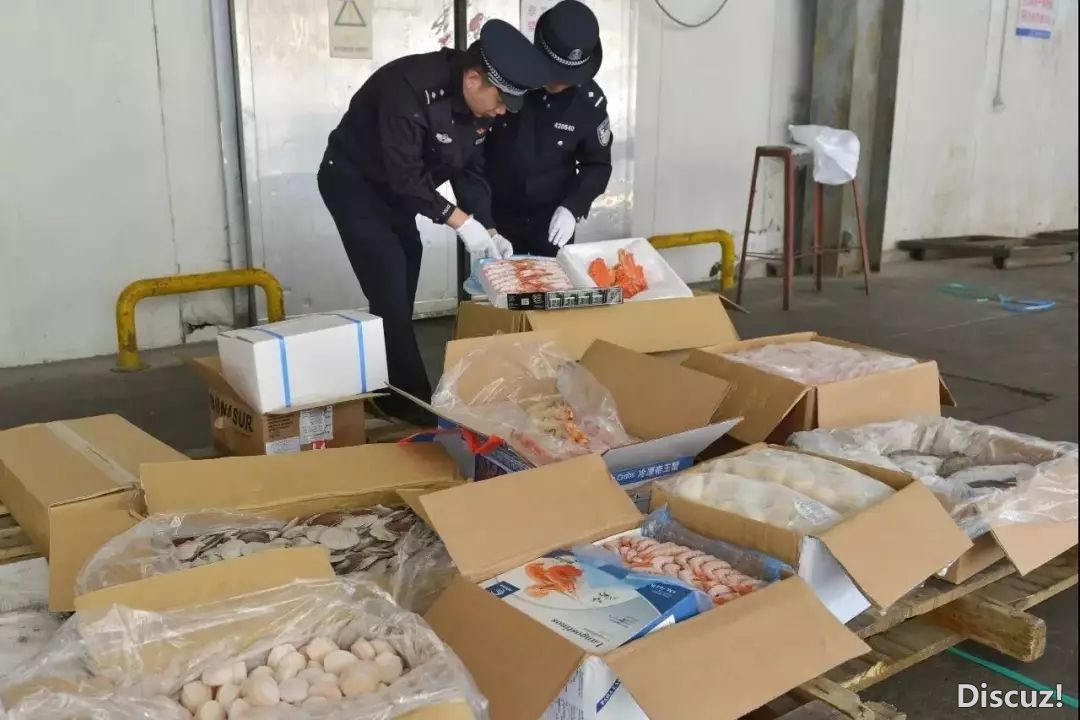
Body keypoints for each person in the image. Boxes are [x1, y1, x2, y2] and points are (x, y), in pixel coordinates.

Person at [318, 20, 551, 423]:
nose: (501, 112)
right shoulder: (408, 90)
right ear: (473, 79)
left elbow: (470, 168)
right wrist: (459, 222)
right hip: (355, 185)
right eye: (500, 102)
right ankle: (410, 404)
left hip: (398, 191)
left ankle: (382, 380)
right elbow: (406, 177)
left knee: (408, 260)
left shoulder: (479, 102)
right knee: (389, 281)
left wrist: (488, 227)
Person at [483, 0, 613, 257]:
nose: (558, 82)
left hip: (552, 222)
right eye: (553, 71)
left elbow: (597, 165)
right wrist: (477, 217)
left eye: (567, 77)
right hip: (496, 218)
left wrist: (574, 207)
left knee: (552, 283)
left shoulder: (589, 103)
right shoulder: (507, 78)